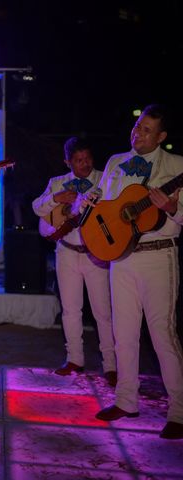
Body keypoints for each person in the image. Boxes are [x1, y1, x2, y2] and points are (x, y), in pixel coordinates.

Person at [93, 105, 183, 440]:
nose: (138, 133)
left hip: (158, 257)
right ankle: (126, 401)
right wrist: (90, 206)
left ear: (161, 137)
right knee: (124, 332)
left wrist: (173, 208)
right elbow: (103, 203)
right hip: (120, 258)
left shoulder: (177, 166)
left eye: (147, 130)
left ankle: (179, 411)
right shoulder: (116, 162)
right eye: (137, 127)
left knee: (162, 334)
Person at [32, 137, 117, 385]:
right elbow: (37, 207)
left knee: (103, 311)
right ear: (67, 161)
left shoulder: (106, 179)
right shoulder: (57, 183)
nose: (85, 164)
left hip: (96, 254)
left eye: (88, 158)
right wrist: (57, 199)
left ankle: (110, 365)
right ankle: (74, 360)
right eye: (78, 161)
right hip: (66, 251)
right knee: (70, 310)